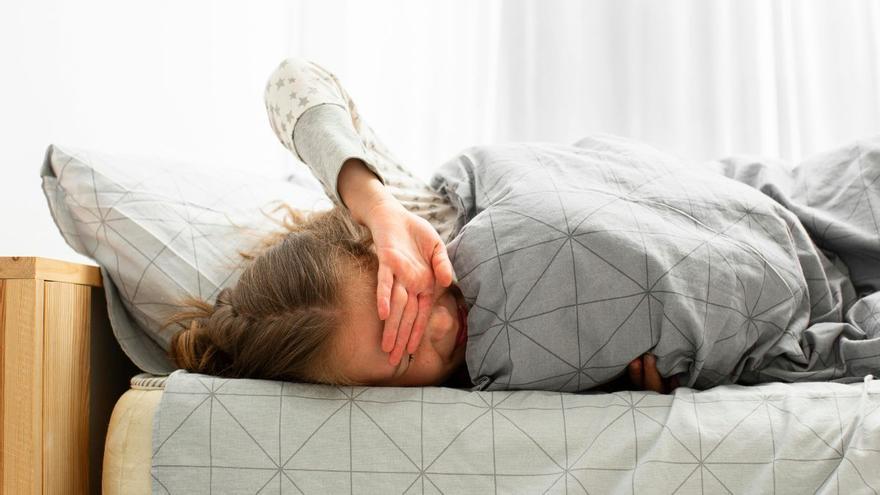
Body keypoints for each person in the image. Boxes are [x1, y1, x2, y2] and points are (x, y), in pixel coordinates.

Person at [163, 58, 680, 394]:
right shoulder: (475, 388)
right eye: (407, 351)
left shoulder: (422, 217)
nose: (442, 325)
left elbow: (292, 81)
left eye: (412, 293)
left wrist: (377, 207)